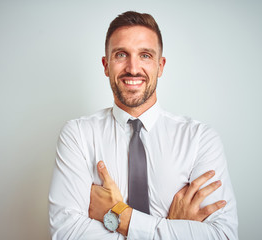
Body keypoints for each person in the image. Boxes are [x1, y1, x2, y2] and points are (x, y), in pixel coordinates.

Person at [49, 11, 238, 239]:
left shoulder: (200, 139)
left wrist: (119, 216)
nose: (133, 68)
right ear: (106, 65)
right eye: (121, 55)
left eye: (145, 55)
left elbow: (223, 235)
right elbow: (66, 233)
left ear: (160, 66)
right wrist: (171, 227)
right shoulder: (77, 135)